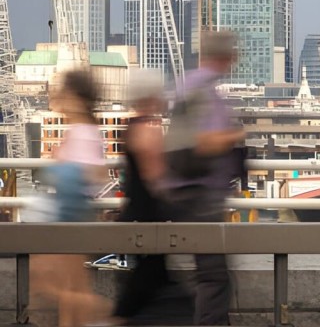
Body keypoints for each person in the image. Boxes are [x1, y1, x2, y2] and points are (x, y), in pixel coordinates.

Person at [163, 31, 246, 325]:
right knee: (214, 278)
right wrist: (236, 134)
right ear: (225, 57)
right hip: (200, 198)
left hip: (187, 191)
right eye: (233, 53)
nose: (235, 59)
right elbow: (206, 142)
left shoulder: (190, 83)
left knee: (209, 275)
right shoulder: (205, 91)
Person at [35, 69, 109, 327]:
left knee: (55, 282)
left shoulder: (85, 132)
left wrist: (62, 164)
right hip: (72, 214)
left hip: (71, 214)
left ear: (78, 98)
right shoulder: (83, 130)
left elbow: (96, 173)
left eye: (65, 95)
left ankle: (108, 313)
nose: (62, 100)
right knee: (70, 285)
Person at [113, 69, 184, 324]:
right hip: (150, 217)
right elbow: (156, 177)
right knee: (146, 283)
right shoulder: (149, 130)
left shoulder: (131, 127)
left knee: (149, 280)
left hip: (135, 214)